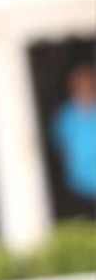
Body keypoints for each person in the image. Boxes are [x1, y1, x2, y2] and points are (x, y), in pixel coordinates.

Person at [51, 62, 96, 207]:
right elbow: (58, 148)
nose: (84, 85)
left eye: (87, 79)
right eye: (79, 80)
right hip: (78, 189)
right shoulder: (65, 116)